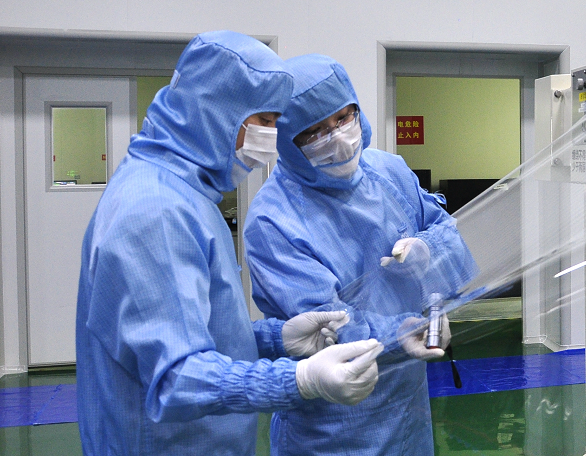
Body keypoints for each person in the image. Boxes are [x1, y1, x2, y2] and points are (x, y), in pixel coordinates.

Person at [75, 32, 384, 456]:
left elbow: (191, 328)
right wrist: (300, 379)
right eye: (265, 121)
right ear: (217, 112)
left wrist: (276, 339)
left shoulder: (183, 193)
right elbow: (177, 378)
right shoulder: (156, 211)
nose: (271, 138)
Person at [243, 53, 478, 456]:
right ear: (287, 140)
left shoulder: (388, 171)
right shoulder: (273, 220)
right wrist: (401, 332)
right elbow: (325, 325)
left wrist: (429, 253)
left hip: (409, 405)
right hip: (334, 422)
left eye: (343, 118)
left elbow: (447, 233)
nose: (338, 138)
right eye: (315, 132)